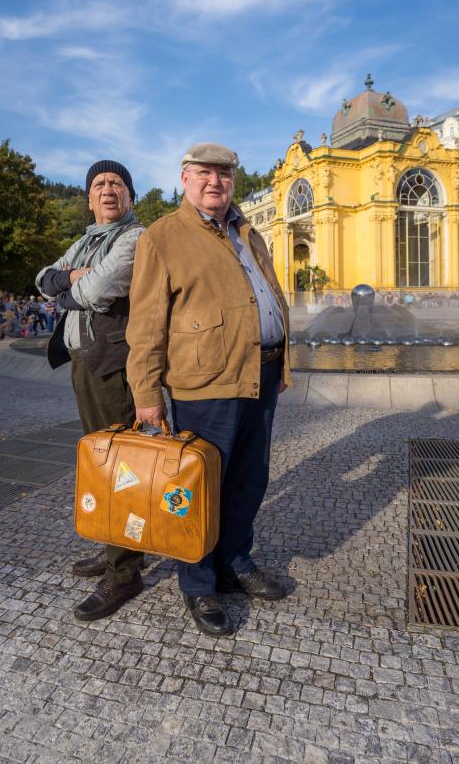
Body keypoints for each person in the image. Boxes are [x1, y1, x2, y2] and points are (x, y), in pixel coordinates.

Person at [126, 142, 291, 637]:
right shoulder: (162, 237)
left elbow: (268, 295)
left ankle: (234, 564)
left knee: (249, 479)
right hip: (204, 384)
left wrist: (281, 362)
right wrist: (146, 395)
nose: (215, 181)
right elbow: (146, 325)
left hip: (258, 374)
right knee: (198, 490)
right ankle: (198, 585)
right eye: (205, 173)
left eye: (224, 174)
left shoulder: (246, 229)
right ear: (185, 178)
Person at [36, 159, 144, 622]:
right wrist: (66, 280)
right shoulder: (84, 241)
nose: (107, 190)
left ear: (129, 196)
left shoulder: (135, 237)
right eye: (99, 184)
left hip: (114, 365)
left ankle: (124, 573)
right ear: (88, 197)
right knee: (98, 465)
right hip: (83, 360)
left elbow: (96, 291)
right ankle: (111, 547)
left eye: (116, 183)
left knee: (121, 467)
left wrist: (71, 282)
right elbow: (42, 280)